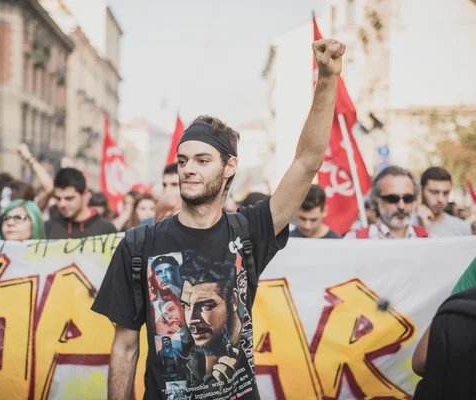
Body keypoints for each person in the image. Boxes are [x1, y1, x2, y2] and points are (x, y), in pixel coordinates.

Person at [91, 38, 346, 399]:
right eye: (183, 161)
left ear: (229, 167)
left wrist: (327, 79)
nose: (188, 170)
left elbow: (307, 162)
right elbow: (125, 346)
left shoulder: (249, 231)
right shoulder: (139, 244)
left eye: (201, 160)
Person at [345, 166, 428, 239]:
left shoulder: (429, 240)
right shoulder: (354, 241)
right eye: (392, 198)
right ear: (376, 200)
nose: (401, 206)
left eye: (408, 198)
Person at [45, 168, 116, 239]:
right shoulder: (48, 227)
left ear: (85, 195)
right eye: (58, 198)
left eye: (69, 198)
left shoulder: (106, 230)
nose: (62, 204)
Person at [416, 167, 471, 236]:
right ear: (421, 191)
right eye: (434, 192)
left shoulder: (462, 227)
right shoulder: (405, 225)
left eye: (445, 193)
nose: (440, 199)